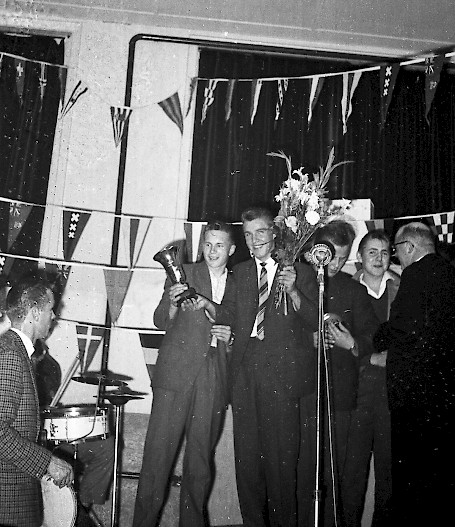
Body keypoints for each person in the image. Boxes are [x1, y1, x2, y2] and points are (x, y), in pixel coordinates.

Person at [197, 207, 319, 527]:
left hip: (282, 373)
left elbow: (315, 321)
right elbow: (228, 315)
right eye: (248, 235)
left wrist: (293, 290)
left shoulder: (299, 271)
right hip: (245, 371)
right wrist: (210, 311)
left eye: (261, 232)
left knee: (281, 461)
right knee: (247, 461)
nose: (254, 241)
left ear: (275, 232)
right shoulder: (240, 273)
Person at [133, 221, 236, 527]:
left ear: (231, 249)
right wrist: (172, 302)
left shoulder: (241, 282)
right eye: (207, 243)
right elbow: (159, 321)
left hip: (215, 375)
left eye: (219, 245)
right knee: (156, 460)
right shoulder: (185, 272)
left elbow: (243, 329)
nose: (212, 251)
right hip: (175, 375)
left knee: (200, 464)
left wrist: (230, 336)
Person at [298, 220, 379, 527]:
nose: (339, 264)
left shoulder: (354, 291)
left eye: (345, 259)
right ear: (320, 250)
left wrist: (352, 343)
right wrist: (309, 340)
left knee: (335, 474)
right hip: (302, 393)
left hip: (341, 396)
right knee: (304, 472)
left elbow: (374, 336)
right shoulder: (300, 283)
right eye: (334, 257)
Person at [374, 222, 455, 527]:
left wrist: (378, 336)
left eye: (395, 251)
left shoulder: (415, 274)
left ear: (408, 247)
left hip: (415, 397)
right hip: (445, 395)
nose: (396, 258)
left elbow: (403, 328)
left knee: (412, 481)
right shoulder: (448, 273)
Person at [0, 276, 73, 527]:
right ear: (34, 312)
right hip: (8, 497)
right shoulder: (10, 354)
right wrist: (47, 462)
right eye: (50, 309)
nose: (54, 317)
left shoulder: (17, 350)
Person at [341, 230, 400, 527]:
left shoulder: (403, 289)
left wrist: (395, 359)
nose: (379, 258)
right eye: (372, 252)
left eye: (385, 252)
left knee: (390, 474)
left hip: (392, 393)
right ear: (359, 258)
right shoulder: (346, 290)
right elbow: (339, 341)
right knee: (352, 471)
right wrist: (370, 358)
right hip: (357, 391)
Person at [32, 339, 115, 523]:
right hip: (26, 446)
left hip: (50, 438)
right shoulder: (10, 362)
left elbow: (49, 405)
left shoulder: (49, 366)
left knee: (106, 446)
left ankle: (80, 506)